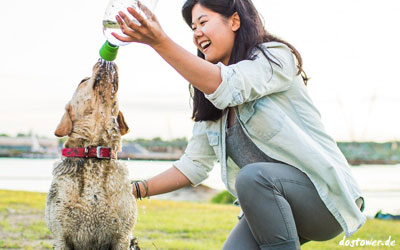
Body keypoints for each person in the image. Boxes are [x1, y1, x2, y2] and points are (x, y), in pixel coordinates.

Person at [113, 0, 366, 249]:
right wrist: (129, 190)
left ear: (234, 21)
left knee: (251, 177)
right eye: (193, 27)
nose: (197, 32)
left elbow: (229, 86)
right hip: (270, 202)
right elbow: (194, 165)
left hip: (323, 197)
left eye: (203, 22)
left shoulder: (274, 58)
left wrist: (160, 42)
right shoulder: (208, 93)